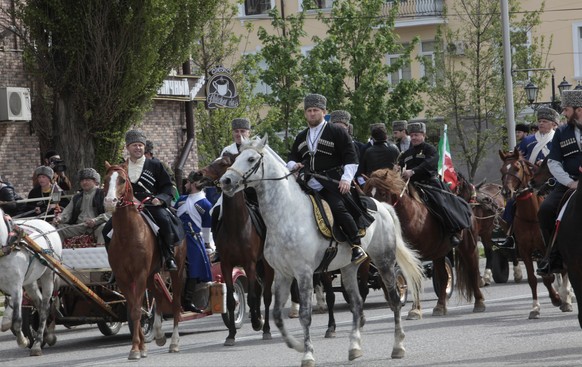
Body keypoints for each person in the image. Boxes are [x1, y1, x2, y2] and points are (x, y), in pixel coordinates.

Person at [287, 93, 369, 264]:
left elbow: (351, 157)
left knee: (337, 207)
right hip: (307, 182)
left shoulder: (337, 131)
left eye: (315, 110)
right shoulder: (301, 136)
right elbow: (292, 157)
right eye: (308, 110)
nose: (311, 113)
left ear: (324, 112)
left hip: (333, 182)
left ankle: (356, 245)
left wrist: (346, 179)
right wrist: (293, 166)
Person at [102, 130, 185, 271]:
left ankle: (169, 256)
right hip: (128, 206)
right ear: (128, 148)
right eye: (134, 145)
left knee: (164, 219)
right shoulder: (121, 168)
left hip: (151, 204)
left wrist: (160, 199)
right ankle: (116, 265)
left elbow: (168, 186)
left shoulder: (155, 165)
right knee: (106, 230)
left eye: (140, 145)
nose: (138, 148)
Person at [398, 122, 471, 247]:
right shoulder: (406, 154)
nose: (414, 137)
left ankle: (453, 231)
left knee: (440, 203)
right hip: (411, 184)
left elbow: (430, 163)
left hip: (429, 184)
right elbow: (399, 165)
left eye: (417, 135)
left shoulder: (429, 149)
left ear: (423, 135)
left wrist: (414, 171)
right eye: (412, 135)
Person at [497, 107, 559, 250]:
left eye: (544, 121)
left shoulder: (557, 138)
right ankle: (510, 236)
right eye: (539, 121)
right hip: (532, 182)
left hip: (553, 181)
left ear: (553, 124)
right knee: (511, 203)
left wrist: (545, 164)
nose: (541, 124)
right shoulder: (528, 141)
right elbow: (519, 158)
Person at [536, 90, 582, 275]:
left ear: (579, 109)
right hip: (569, 183)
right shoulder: (561, 132)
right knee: (545, 210)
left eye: (566, 110)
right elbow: (553, 162)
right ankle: (553, 256)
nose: (563, 113)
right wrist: (570, 183)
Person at [174, 171, 213, 313]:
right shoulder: (182, 199)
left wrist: (207, 244)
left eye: (187, 182)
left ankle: (188, 300)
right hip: (177, 235)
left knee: (194, 267)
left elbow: (207, 226)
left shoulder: (206, 203)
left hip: (194, 237)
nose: (185, 185)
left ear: (194, 184)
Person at [53, 168, 110, 245]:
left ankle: (100, 252)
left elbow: (110, 213)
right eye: (82, 180)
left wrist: (96, 220)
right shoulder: (77, 197)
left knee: (104, 227)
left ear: (95, 181)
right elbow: (67, 213)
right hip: (80, 226)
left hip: (97, 226)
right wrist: (59, 219)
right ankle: (58, 254)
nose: (84, 182)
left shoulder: (103, 194)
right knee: (58, 229)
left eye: (87, 180)